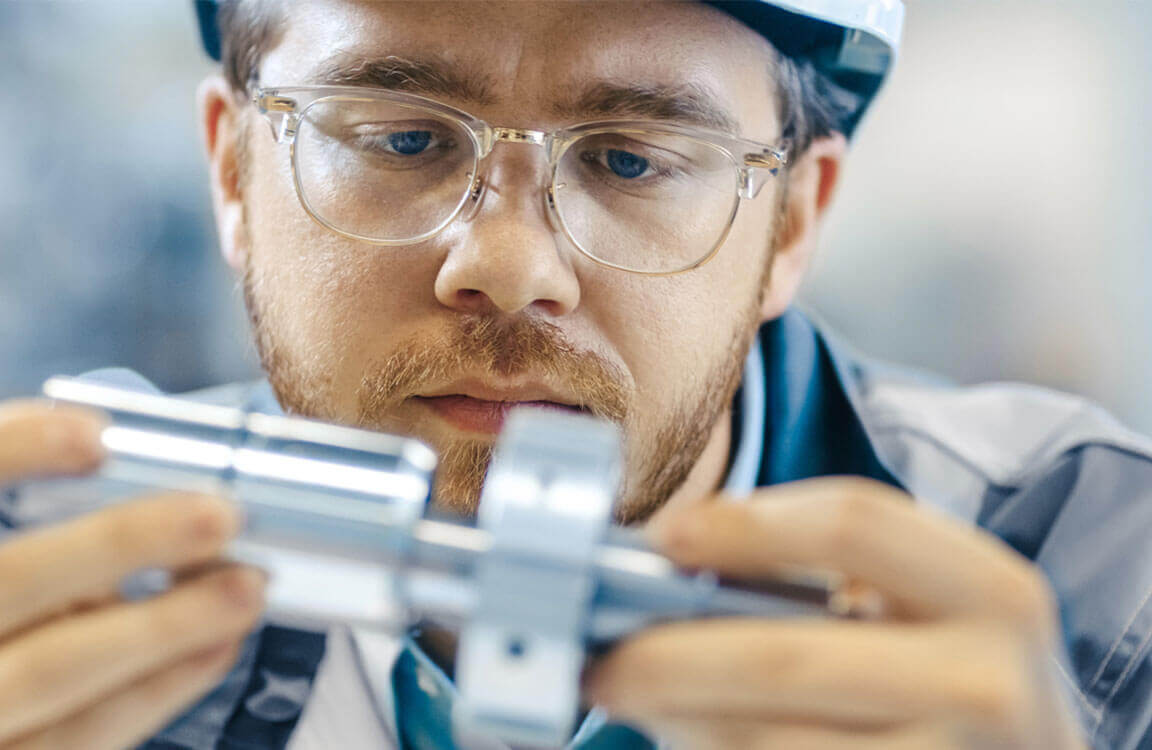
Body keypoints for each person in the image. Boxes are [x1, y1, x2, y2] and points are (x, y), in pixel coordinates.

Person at [0, 1, 1148, 748]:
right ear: (235, 175)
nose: (506, 266)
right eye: (402, 138)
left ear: (795, 221)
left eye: (631, 158)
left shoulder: (1105, 578)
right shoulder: (40, 594)